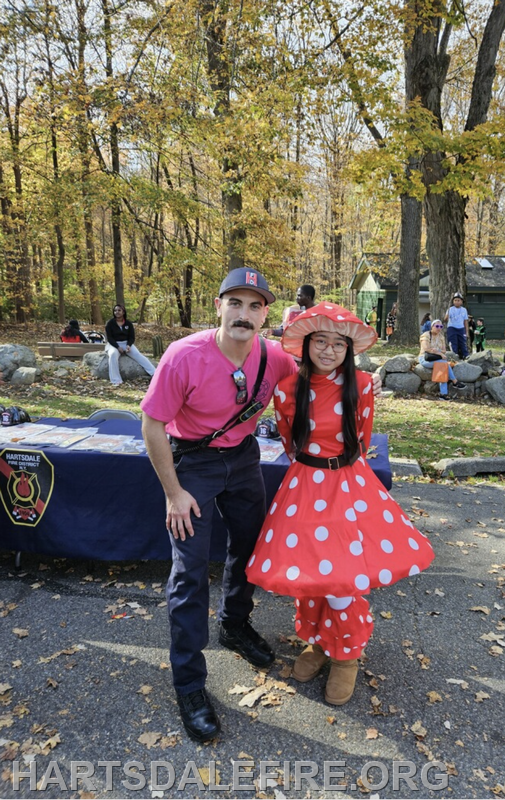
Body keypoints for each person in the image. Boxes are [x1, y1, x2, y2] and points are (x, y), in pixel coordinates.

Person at [140, 270, 383, 742]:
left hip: (244, 462)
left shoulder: (273, 358)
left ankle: (234, 624)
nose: (244, 314)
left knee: (249, 550)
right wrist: (174, 492)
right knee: (189, 575)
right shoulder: (183, 356)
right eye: (235, 303)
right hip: (193, 466)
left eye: (254, 306)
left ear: (266, 314)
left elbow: (321, 381)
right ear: (219, 305)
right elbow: (151, 426)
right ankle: (189, 685)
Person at [246, 303, 435, 706]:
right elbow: (287, 438)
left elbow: (362, 438)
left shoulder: (363, 384)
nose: (329, 351)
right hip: (304, 485)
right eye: (320, 341)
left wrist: (345, 478)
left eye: (338, 344)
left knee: (341, 576)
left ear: (349, 350)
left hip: (346, 484)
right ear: (307, 344)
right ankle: (316, 642)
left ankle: (346, 655)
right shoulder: (287, 388)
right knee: (312, 572)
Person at [105, 304, 156, 386]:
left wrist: (129, 345)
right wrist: (118, 347)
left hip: (126, 343)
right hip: (114, 344)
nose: (117, 312)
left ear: (123, 312)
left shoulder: (128, 323)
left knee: (138, 355)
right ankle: (116, 380)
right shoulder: (110, 323)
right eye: (115, 310)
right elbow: (110, 338)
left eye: (119, 310)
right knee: (113, 355)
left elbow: (132, 337)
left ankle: (154, 373)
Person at [418, 320, 467, 400]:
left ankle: (443, 395)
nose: (439, 328)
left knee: (443, 366)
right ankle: (454, 382)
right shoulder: (426, 335)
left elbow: (444, 350)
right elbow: (426, 349)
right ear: (432, 326)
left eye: (441, 327)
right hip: (425, 359)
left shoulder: (441, 337)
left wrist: (436, 351)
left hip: (437, 359)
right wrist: (439, 353)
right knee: (444, 364)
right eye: (437, 326)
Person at [444, 292, 469, 359]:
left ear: (461, 301)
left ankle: (465, 355)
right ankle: (455, 355)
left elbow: (465, 321)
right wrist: (448, 315)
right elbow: (445, 319)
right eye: (455, 300)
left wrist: (466, 331)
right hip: (452, 327)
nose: (457, 302)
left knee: (463, 342)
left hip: (461, 328)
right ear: (453, 301)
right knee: (453, 342)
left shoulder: (464, 310)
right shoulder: (450, 309)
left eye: (458, 300)